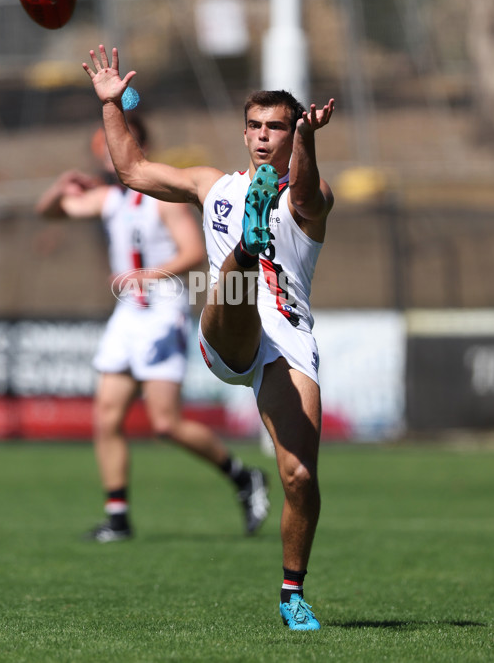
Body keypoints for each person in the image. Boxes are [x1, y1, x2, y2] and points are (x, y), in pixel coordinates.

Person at [82, 46, 335, 631]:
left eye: (277, 127)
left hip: (288, 342)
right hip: (228, 330)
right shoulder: (211, 185)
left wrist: (308, 143)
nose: (263, 136)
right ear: (244, 132)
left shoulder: (313, 196)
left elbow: (303, 199)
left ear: (294, 132)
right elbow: (132, 171)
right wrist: (112, 104)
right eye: (255, 126)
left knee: (298, 476)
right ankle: (246, 250)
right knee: (236, 283)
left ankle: (292, 593)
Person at [35, 114, 271, 544]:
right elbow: (50, 212)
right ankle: (118, 517)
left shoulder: (161, 198)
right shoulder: (110, 199)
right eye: (99, 147)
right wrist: (60, 186)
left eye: (111, 144)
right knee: (106, 416)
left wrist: (149, 274)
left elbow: (194, 252)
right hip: (127, 318)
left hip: (163, 314)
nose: (104, 153)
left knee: (164, 423)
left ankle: (243, 476)